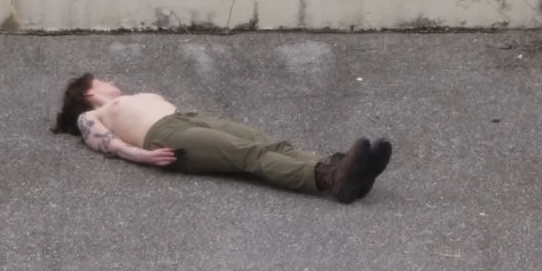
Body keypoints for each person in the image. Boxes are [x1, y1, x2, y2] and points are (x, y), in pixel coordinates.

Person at [53, 73, 393, 203]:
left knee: (270, 145)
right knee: (249, 156)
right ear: (88, 90)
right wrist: (142, 156)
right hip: (164, 135)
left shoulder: (126, 98)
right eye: (102, 79)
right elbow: (103, 142)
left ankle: (352, 172)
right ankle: (331, 180)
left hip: (186, 119)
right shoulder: (90, 115)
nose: (111, 81)